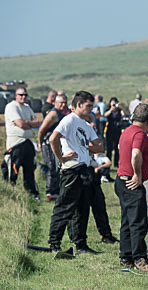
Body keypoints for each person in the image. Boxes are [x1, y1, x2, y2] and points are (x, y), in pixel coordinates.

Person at [47, 91, 105, 254]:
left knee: (82, 208)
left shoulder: (85, 124)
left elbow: (100, 146)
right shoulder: (69, 120)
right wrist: (61, 157)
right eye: (88, 106)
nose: (91, 109)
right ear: (78, 105)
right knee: (64, 207)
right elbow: (53, 138)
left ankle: (80, 243)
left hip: (84, 168)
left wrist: (85, 147)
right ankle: (54, 243)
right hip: (72, 169)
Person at [116, 103, 148, 271]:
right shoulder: (140, 134)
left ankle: (125, 257)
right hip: (131, 182)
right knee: (138, 223)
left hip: (121, 181)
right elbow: (135, 154)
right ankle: (139, 259)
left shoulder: (127, 131)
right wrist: (137, 174)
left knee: (127, 222)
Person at [3, 88, 41, 198]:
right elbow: (20, 124)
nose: (23, 97)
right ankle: (10, 195)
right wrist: (29, 123)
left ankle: (32, 195)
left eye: (25, 95)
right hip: (16, 142)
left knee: (30, 170)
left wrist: (27, 123)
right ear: (16, 95)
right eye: (21, 95)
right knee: (13, 169)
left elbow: (37, 123)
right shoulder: (11, 107)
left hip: (28, 141)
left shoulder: (27, 107)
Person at [38, 94, 70, 201]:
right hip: (47, 144)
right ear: (55, 103)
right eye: (61, 102)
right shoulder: (53, 114)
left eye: (65, 102)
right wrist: (40, 143)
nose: (63, 105)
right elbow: (42, 130)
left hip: (57, 144)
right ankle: (50, 192)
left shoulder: (62, 114)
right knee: (51, 167)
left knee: (57, 167)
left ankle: (56, 191)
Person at [88, 152, 117, 244]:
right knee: (80, 212)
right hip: (82, 176)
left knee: (100, 207)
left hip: (94, 180)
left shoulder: (100, 156)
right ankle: (78, 240)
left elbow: (99, 147)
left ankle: (106, 234)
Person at [103, 97, 127, 176]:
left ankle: (116, 163)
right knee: (109, 148)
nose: (114, 105)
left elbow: (124, 115)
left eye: (115, 103)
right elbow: (105, 115)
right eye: (112, 103)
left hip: (117, 129)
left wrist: (121, 108)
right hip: (109, 130)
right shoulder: (108, 110)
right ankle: (108, 162)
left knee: (117, 147)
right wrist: (111, 109)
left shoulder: (119, 110)